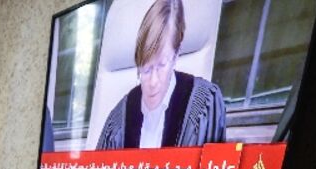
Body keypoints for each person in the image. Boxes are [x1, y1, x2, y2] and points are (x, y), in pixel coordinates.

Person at [95, 0, 225, 150]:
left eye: (162, 65)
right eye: (146, 70)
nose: (153, 82)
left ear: (176, 55)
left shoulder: (206, 103)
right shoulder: (118, 120)